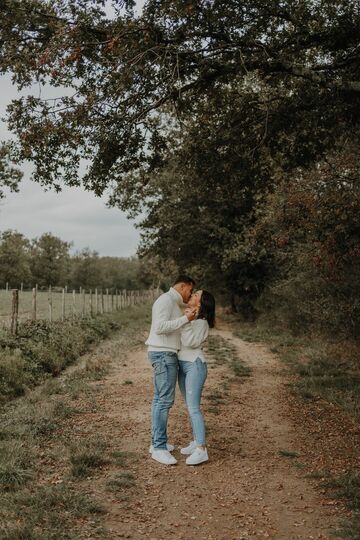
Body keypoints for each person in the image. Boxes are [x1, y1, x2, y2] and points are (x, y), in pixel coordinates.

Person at [146, 275, 197, 465]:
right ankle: (158, 448)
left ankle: (156, 443)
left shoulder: (172, 303)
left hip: (166, 355)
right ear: (183, 286)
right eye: (190, 290)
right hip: (163, 355)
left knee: (160, 399)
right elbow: (160, 328)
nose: (190, 294)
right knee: (164, 400)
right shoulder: (166, 300)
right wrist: (185, 319)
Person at [178, 289, 216, 465]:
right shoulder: (193, 319)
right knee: (189, 406)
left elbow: (191, 343)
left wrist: (186, 322)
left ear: (200, 303)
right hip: (183, 364)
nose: (192, 295)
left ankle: (201, 449)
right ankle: (195, 441)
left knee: (194, 408)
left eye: (195, 295)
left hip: (195, 365)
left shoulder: (201, 322)